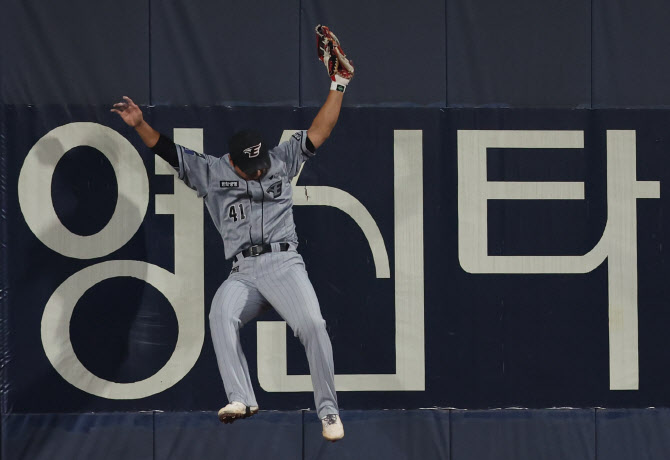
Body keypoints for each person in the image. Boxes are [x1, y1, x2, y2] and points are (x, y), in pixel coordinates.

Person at [111, 25, 353, 442]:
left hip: (283, 263)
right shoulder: (212, 172)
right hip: (244, 271)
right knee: (221, 314)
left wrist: (339, 84)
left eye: (262, 165)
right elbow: (168, 151)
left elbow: (321, 130)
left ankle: (328, 412)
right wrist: (139, 125)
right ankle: (242, 397)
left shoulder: (280, 158)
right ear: (235, 163)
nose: (260, 172)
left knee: (313, 324)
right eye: (252, 169)